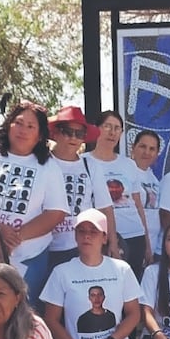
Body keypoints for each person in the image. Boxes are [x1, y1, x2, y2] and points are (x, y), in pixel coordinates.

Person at [41, 209, 143, 339]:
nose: (86, 236)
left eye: (93, 232)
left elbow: (134, 314)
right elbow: (51, 319)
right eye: (81, 231)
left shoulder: (121, 269)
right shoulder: (62, 272)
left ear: (104, 237)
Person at [0, 101, 67, 309]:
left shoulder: (49, 166)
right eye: (18, 123)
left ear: (40, 135)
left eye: (31, 126)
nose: (23, 130)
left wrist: (16, 235)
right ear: (9, 125)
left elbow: (56, 212)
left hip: (29, 257)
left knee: (23, 318)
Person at [46, 106, 116, 270]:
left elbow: (105, 207)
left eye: (79, 134)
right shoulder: (42, 162)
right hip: (45, 247)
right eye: (67, 131)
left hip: (82, 246)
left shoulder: (90, 165)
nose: (73, 138)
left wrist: (112, 242)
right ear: (55, 133)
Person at [84, 111, 149, 275]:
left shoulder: (128, 164)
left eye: (117, 128)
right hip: (101, 237)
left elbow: (138, 204)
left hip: (134, 234)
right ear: (97, 129)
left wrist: (147, 241)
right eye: (107, 127)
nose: (112, 132)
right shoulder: (83, 161)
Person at [131, 129, 163, 272]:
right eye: (143, 146)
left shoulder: (153, 178)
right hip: (136, 243)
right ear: (133, 148)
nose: (147, 152)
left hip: (154, 244)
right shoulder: (127, 172)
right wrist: (146, 246)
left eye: (152, 149)